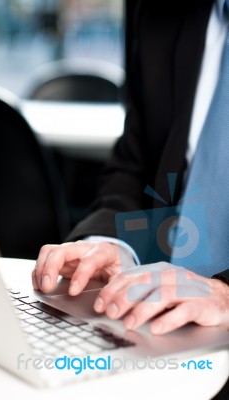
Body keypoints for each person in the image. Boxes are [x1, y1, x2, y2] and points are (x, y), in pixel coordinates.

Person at [32, 0, 229, 337]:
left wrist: (225, 294)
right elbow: (136, 160)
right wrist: (114, 244)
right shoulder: (154, 9)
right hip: (151, 317)